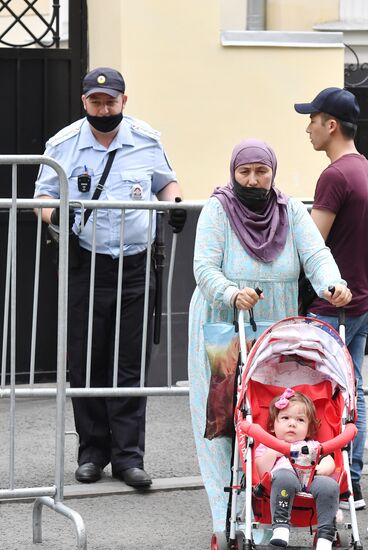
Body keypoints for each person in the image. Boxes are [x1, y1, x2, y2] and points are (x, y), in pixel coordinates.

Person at [187, 139, 351, 533]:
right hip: (224, 325)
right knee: (222, 418)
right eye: (245, 172)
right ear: (233, 172)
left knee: (268, 415)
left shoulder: (290, 209)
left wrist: (333, 284)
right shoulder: (218, 209)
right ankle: (224, 516)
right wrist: (231, 292)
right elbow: (203, 266)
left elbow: (315, 254)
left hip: (276, 328)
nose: (253, 180)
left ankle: (263, 510)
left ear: (273, 173)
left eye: (261, 172)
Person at [34, 67, 186, 487]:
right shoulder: (63, 145)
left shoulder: (146, 139)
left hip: (135, 264)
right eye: (96, 102)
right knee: (87, 360)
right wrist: (55, 216)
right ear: (84, 103)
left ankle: (128, 458)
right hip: (88, 263)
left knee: (130, 362)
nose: (104, 108)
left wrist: (174, 203)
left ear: (124, 100)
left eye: (111, 101)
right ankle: (92, 453)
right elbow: (41, 197)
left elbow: (166, 182)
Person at [294, 87, 368, 510]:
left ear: (331, 125)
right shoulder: (364, 169)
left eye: (313, 120)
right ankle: (351, 483)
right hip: (360, 301)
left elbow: (312, 245)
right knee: (352, 391)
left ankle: (327, 481)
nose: (308, 128)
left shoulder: (335, 176)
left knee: (322, 391)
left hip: (330, 304)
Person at [255, 388, 339, 549]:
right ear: (273, 426)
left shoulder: (312, 445)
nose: (292, 423)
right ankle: (280, 528)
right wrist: (274, 452)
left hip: (311, 479)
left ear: (309, 428)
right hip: (283, 484)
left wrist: (323, 468)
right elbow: (261, 471)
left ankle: (325, 536)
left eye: (300, 420)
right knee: (284, 477)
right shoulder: (268, 446)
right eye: (285, 418)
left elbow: (329, 459)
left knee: (330, 486)